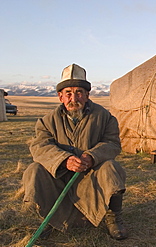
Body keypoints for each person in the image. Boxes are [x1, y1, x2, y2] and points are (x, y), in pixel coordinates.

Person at [22, 64, 128, 240]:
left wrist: (92, 156)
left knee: (111, 168)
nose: (74, 98)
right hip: (59, 178)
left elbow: (112, 144)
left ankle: (113, 217)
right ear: (60, 97)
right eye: (68, 93)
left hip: (91, 177)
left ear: (87, 95)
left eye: (79, 92)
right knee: (34, 170)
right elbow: (39, 147)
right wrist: (64, 160)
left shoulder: (105, 117)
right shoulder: (46, 122)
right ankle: (47, 219)